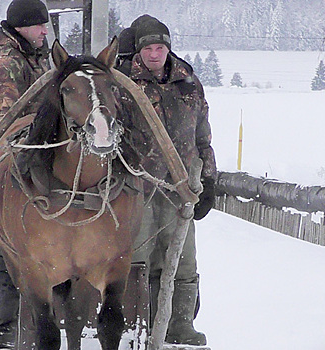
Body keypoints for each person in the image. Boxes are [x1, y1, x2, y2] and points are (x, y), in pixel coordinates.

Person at [120, 15, 216, 346]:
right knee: (140, 257)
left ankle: (180, 325)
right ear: (139, 50)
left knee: (182, 257)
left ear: (168, 48)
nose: (154, 54)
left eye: (160, 47)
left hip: (181, 187)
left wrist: (209, 179)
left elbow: (203, 135)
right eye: (148, 48)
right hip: (138, 185)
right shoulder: (123, 82)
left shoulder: (188, 81)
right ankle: (138, 326)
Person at [0, 0, 51, 347]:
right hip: (3, 163)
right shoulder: (3, 61)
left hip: (33, 157)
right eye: (39, 26)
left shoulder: (34, 53)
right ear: (21, 27)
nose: (45, 31)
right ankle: (7, 333)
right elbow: (10, 122)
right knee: (7, 252)